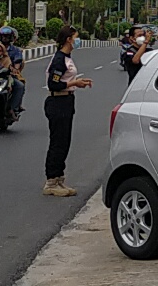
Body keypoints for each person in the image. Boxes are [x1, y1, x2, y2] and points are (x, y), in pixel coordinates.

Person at [43, 25, 92, 197]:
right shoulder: (59, 59)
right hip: (58, 102)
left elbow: (66, 78)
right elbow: (53, 84)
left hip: (67, 100)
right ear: (68, 39)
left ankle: (59, 179)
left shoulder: (67, 57)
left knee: (65, 141)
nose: (78, 40)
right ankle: (50, 182)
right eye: (76, 37)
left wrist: (78, 81)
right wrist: (74, 83)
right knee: (57, 142)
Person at [0, 26, 27, 119]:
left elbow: (18, 61)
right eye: (3, 36)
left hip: (8, 75)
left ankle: (12, 108)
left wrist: (15, 69)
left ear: (11, 38)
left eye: (7, 36)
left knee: (20, 86)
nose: (5, 38)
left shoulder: (16, 50)